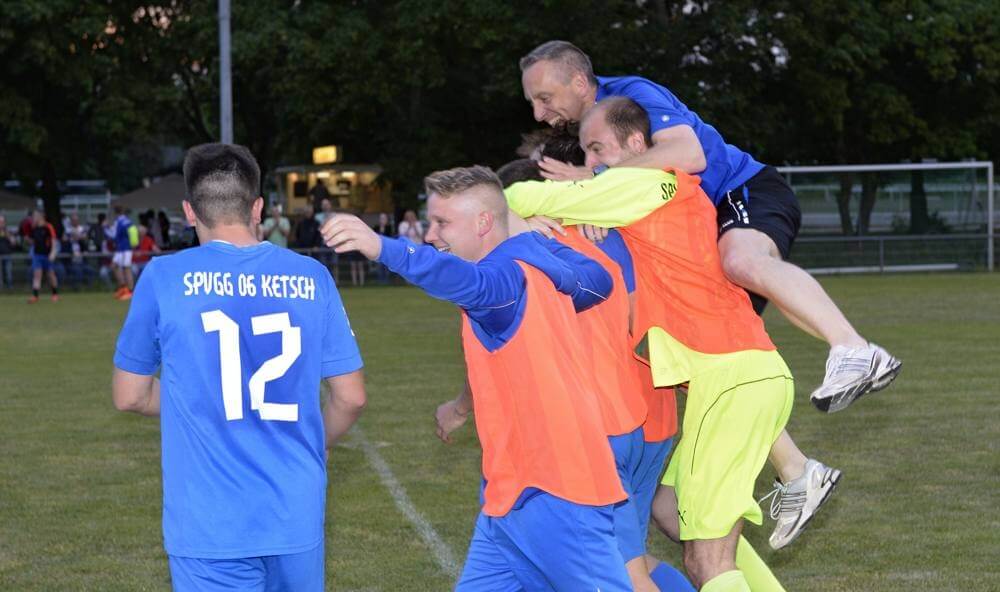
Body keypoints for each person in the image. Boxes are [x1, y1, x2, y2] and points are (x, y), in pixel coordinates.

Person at [519, 40, 901, 414]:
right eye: (533, 102)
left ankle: (855, 349)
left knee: (741, 261)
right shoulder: (581, 130)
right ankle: (799, 471)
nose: (538, 112)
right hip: (701, 228)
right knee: (707, 357)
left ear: (580, 84)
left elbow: (689, 153)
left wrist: (595, 179)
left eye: (545, 98)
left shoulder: (632, 93)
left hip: (741, 190)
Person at [321, 165, 633, 591]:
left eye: (442, 222)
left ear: (484, 222)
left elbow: (456, 278)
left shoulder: (503, 278)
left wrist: (381, 247)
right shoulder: (530, 263)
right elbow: (597, 281)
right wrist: (528, 238)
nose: (431, 234)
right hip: (509, 496)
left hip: (558, 493)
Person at [112, 142, 366, 592]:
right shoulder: (312, 276)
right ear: (258, 207)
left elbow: (129, 395)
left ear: (190, 211)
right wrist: (317, 440)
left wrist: (203, 404)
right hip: (294, 508)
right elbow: (350, 397)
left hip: (209, 518)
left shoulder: (163, 277)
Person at [27, 210, 59, 303]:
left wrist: (53, 252)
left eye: (35, 216)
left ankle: (55, 293)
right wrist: (28, 240)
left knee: (51, 275)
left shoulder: (48, 227)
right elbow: (33, 241)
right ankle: (35, 296)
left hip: (47, 255)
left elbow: (53, 241)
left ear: (41, 217)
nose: (34, 218)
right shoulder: (34, 228)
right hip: (37, 255)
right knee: (37, 275)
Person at [109, 205, 136, 300]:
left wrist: (105, 229)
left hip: (124, 249)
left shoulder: (119, 222)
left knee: (126, 268)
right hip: (123, 249)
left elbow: (113, 235)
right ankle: (123, 287)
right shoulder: (128, 221)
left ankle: (130, 290)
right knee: (114, 266)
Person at [371, 212, 394, 284]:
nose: (382, 220)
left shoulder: (389, 228)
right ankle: (380, 280)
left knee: (387, 266)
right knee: (379, 266)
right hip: (378, 250)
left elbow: (390, 238)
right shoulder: (376, 227)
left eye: (384, 218)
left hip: (387, 250)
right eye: (381, 218)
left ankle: (387, 280)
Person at [0, 215, 13, 289]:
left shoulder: (8, 231)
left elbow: (13, 242)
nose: (1, 224)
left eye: (2, 222)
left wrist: (7, 234)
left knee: (8, 272)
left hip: (7, 254)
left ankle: (10, 287)